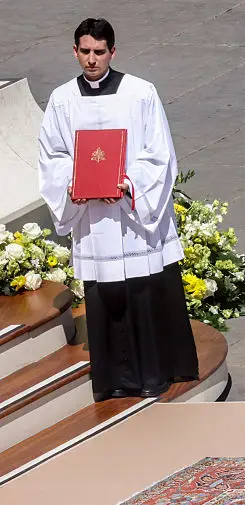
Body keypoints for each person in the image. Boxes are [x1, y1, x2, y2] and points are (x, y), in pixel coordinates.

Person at [38, 18, 198, 401]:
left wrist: (126, 183)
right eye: (85, 51)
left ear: (113, 51)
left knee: (144, 291)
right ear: (74, 51)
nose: (92, 60)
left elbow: (159, 154)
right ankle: (115, 380)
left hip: (133, 216)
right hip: (93, 219)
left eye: (99, 52)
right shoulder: (62, 100)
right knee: (105, 297)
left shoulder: (140, 93)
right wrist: (75, 186)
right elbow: (52, 156)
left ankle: (157, 375)